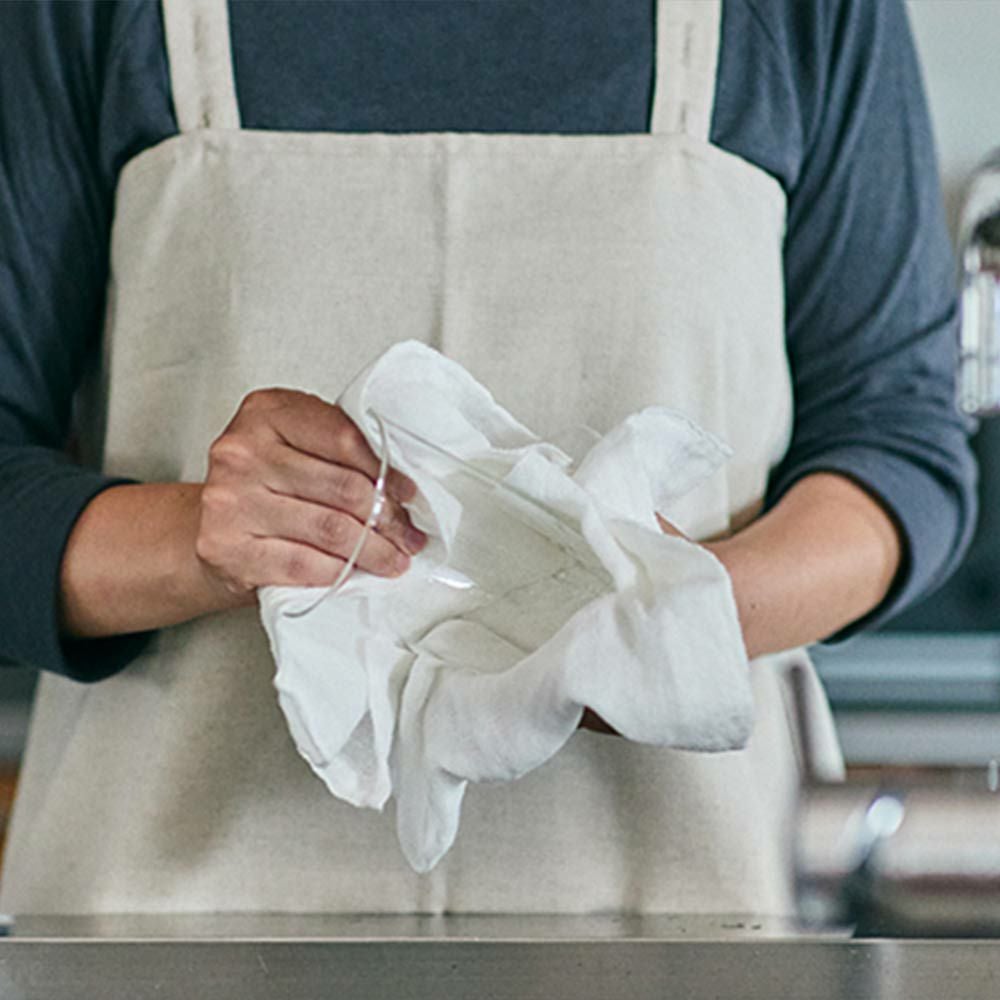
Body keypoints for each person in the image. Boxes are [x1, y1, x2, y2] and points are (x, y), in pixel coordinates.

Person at [0, 0, 976, 915]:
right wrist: (201, 537)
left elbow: (895, 446)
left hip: (676, 926)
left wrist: (664, 630)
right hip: (173, 929)